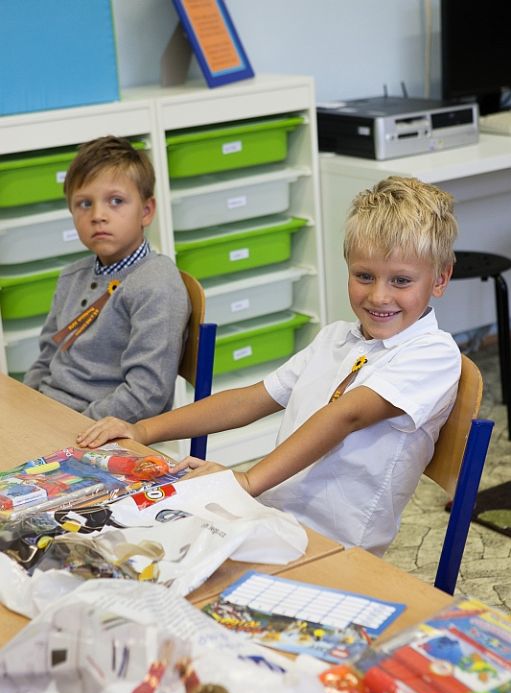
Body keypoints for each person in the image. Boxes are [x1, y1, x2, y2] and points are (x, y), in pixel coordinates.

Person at [76, 175, 461, 555]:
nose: (378, 296)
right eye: (364, 276)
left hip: (333, 549)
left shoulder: (434, 354)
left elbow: (347, 415)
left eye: (401, 281)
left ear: (440, 279)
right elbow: (250, 400)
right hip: (268, 517)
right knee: (112, 534)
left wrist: (246, 480)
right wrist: (141, 429)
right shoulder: (336, 338)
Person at [24, 135, 190, 421]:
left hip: (100, 429)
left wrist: (77, 426)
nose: (98, 215)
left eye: (116, 201)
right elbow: (47, 358)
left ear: (146, 211)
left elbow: (147, 393)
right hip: (49, 414)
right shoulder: (71, 277)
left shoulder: (156, 284)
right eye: (84, 203)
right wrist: (27, 403)